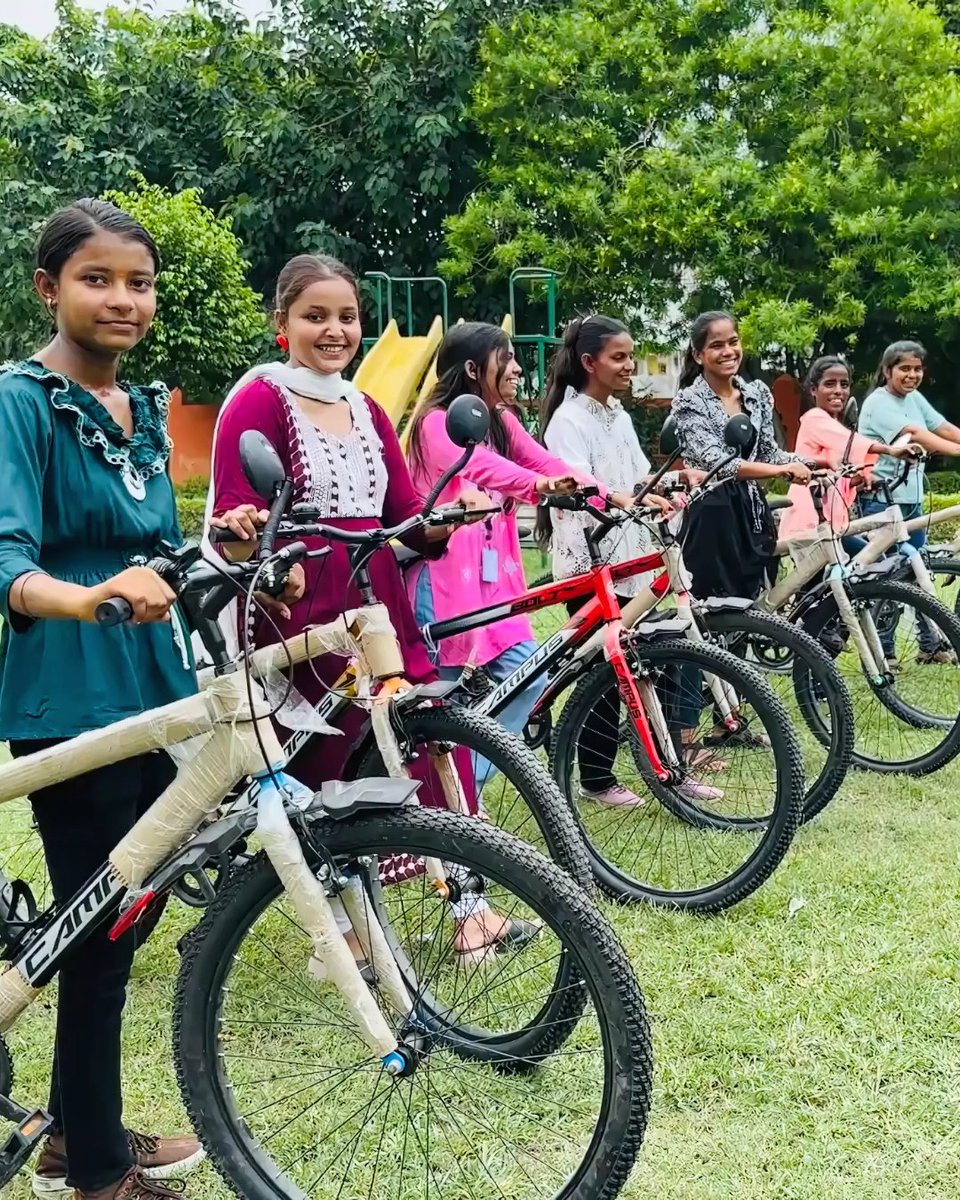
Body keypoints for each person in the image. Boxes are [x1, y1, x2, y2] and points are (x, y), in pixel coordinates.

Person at [207, 255, 524, 962]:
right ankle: (339, 928)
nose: (334, 331)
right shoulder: (260, 402)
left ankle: (471, 906)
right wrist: (258, 545)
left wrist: (443, 520)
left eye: (346, 317)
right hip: (300, 610)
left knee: (430, 741)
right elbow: (235, 517)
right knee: (322, 771)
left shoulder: (366, 407)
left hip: (377, 608)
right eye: (315, 316)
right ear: (280, 323)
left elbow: (404, 516)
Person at [0, 200, 203, 1200]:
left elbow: (158, 545)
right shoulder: (21, 400)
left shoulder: (146, 407)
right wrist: (91, 598)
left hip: (156, 688)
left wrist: (229, 551)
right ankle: (95, 1170)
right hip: (71, 692)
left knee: (124, 921)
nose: (123, 298)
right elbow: (6, 559)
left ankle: (82, 1131)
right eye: (98, 279)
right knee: (97, 933)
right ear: (49, 288)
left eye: (139, 282)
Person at [405, 321, 637, 803]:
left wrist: (605, 494)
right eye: (504, 359)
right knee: (437, 699)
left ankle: (462, 790)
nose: (515, 368)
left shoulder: (501, 419)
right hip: (444, 581)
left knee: (530, 679)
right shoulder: (436, 421)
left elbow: (545, 463)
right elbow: (480, 467)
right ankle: (427, 809)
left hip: (495, 584)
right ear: (473, 369)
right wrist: (537, 488)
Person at [540, 314, 723, 802]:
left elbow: (636, 477)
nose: (628, 366)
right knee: (603, 673)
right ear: (588, 362)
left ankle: (671, 768)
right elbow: (578, 485)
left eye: (630, 356)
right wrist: (625, 499)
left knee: (654, 660)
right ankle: (596, 780)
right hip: (589, 557)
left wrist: (673, 483)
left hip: (634, 555)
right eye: (618, 357)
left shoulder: (618, 415)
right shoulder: (568, 420)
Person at [670, 311, 812, 602]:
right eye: (717, 345)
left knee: (757, 606)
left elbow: (769, 453)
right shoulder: (689, 401)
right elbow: (717, 463)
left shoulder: (756, 393)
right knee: (718, 612)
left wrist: (818, 464)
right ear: (698, 355)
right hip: (711, 517)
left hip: (752, 514)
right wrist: (779, 473)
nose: (728, 352)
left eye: (733, 342)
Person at [857, 339, 960, 664]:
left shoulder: (914, 397)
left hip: (911, 501)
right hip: (881, 502)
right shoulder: (878, 402)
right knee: (889, 579)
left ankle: (930, 646)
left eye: (917, 369)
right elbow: (914, 432)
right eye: (905, 368)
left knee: (919, 572)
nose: (912, 375)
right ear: (887, 371)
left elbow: (941, 426)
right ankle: (883, 652)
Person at [779, 356, 917, 554]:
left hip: (829, 523)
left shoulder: (836, 428)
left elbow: (837, 473)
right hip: (809, 520)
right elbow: (853, 442)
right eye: (829, 384)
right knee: (872, 560)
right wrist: (891, 450)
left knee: (832, 581)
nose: (838, 391)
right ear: (813, 390)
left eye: (844, 384)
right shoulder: (814, 418)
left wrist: (857, 480)